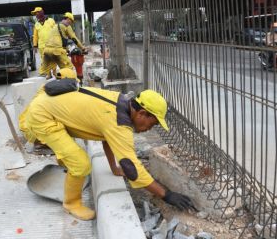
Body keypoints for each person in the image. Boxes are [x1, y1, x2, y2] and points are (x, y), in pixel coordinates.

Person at [24, 85, 195, 221]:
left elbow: (106, 138)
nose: (151, 128)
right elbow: (132, 169)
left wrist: (113, 167)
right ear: (142, 113)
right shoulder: (119, 123)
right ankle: (71, 203)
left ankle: (68, 170)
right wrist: (166, 195)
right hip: (42, 115)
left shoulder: (120, 102)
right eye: (153, 123)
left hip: (47, 104)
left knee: (72, 155)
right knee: (81, 164)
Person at [19, 68, 78, 144]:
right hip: (36, 132)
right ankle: (44, 143)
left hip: (27, 126)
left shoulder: (48, 87)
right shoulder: (61, 92)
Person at [39, 12, 86, 77]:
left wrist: (66, 50)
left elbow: (58, 40)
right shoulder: (66, 25)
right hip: (56, 50)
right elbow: (74, 38)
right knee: (68, 68)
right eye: (71, 21)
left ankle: (41, 83)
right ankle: (66, 84)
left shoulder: (56, 26)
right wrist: (82, 48)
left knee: (43, 71)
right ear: (69, 19)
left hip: (46, 50)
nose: (71, 23)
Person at [30, 7, 56, 76]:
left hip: (51, 44)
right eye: (35, 13)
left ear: (41, 12)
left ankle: (54, 72)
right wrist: (35, 46)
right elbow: (35, 36)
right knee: (45, 61)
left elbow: (56, 32)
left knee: (53, 59)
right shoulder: (36, 24)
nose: (36, 14)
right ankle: (49, 74)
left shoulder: (51, 21)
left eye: (37, 13)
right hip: (42, 46)